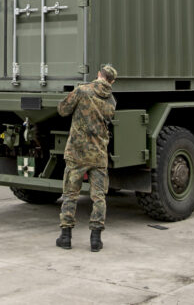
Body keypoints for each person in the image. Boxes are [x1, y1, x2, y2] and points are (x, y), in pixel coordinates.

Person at [56, 63, 117, 252]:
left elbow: (62, 110)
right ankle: (96, 239)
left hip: (77, 153)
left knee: (70, 194)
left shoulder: (82, 91)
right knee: (98, 196)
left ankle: (66, 237)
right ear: (112, 81)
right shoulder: (111, 101)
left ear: (99, 74)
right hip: (98, 155)